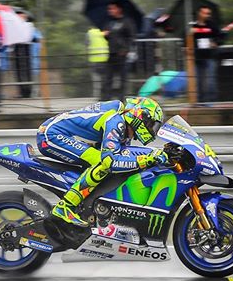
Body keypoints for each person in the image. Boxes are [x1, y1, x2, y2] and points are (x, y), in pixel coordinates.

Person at [37, 97, 167, 227]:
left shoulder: (123, 124)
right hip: (52, 134)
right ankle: (65, 206)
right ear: (141, 116)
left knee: (105, 161)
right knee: (103, 162)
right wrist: (147, 159)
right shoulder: (116, 121)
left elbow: (125, 155)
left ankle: (88, 207)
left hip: (63, 134)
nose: (152, 131)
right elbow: (110, 162)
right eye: (151, 125)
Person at [101, 1, 136, 101]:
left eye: (112, 8)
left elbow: (132, 37)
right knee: (107, 78)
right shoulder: (109, 23)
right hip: (111, 54)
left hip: (122, 55)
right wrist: (106, 35)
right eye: (109, 9)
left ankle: (121, 99)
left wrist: (126, 49)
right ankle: (106, 100)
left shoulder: (127, 22)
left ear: (119, 9)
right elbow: (109, 36)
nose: (110, 11)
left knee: (122, 79)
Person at [191, 6, 223, 103]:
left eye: (208, 13)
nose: (207, 15)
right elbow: (187, 40)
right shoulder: (193, 26)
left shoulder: (212, 25)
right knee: (199, 80)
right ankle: (201, 100)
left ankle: (212, 100)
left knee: (210, 79)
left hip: (210, 56)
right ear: (199, 13)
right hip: (198, 57)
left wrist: (215, 43)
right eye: (205, 13)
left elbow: (221, 36)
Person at [86, 27, 109, 98]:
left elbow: (86, 44)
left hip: (94, 60)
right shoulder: (106, 32)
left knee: (96, 81)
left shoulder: (89, 33)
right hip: (106, 59)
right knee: (106, 79)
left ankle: (97, 96)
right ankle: (106, 96)